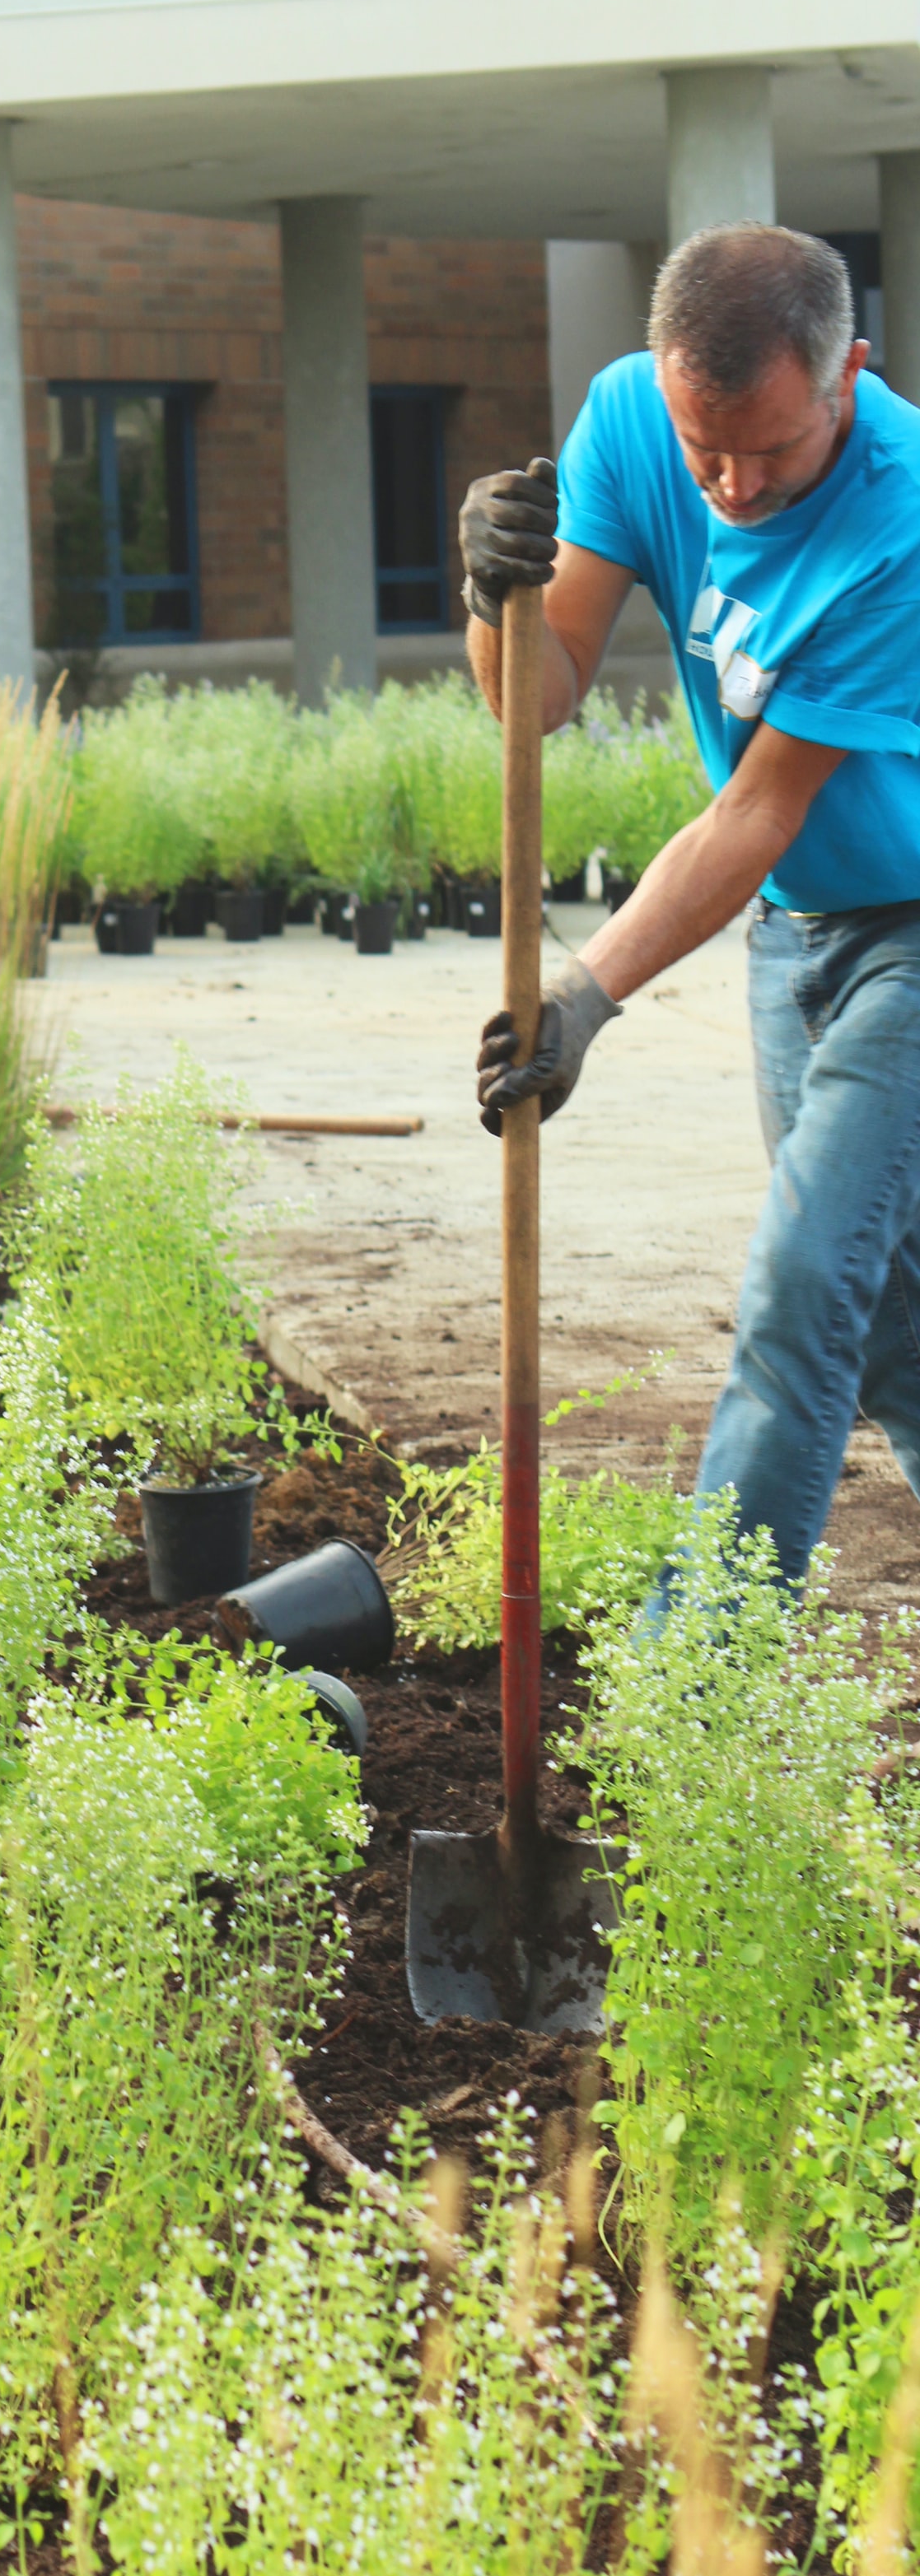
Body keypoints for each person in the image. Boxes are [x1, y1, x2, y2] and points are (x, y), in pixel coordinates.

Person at [460, 221, 920, 1585]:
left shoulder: (898, 515)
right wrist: (491, 591)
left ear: (843, 377)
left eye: (766, 450)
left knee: (800, 1283)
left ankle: (698, 1668)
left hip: (906, 927)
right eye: (697, 444)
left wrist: (580, 994)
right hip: (793, 929)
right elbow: (530, 706)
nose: (724, 482)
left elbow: (758, 806)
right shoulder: (625, 419)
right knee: (885, 1313)